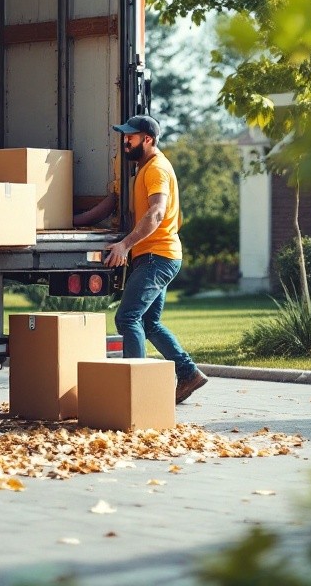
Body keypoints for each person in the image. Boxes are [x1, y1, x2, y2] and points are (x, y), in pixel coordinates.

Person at [74, 114, 208, 404]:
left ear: (147, 139)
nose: (125, 141)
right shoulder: (140, 170)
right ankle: (188, 373)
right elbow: (110, 203)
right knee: (148, 323)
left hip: (156, 256)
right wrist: (71, 220)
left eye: (130, 136)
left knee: (127, 318)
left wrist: (124, 245)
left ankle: (138, 390)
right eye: (124, 136)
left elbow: (157, 212)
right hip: (155, 256)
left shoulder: (157, 169)